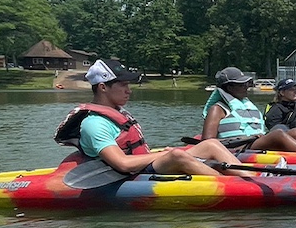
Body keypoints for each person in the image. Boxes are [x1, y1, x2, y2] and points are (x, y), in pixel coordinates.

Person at [55, 59, 248, 177]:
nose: (128, 90)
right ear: (103, 87)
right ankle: (234, 185)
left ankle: (252, 177)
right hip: (125, 175)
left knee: (211, 144)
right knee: (176, 155)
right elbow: (122, 163)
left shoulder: (117, 112)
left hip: (143, 165)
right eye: (122, 85)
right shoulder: (94, 124)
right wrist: (165, 155)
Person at [202, 67, 296, 153]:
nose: (246, 86)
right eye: (242, 84)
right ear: (229, 87)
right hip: (237, 147)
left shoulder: (244, 105)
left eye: (246, 83)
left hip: (252, 142)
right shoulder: (217, 109)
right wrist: (245, 138)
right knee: (278, 133)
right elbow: (207, 142)